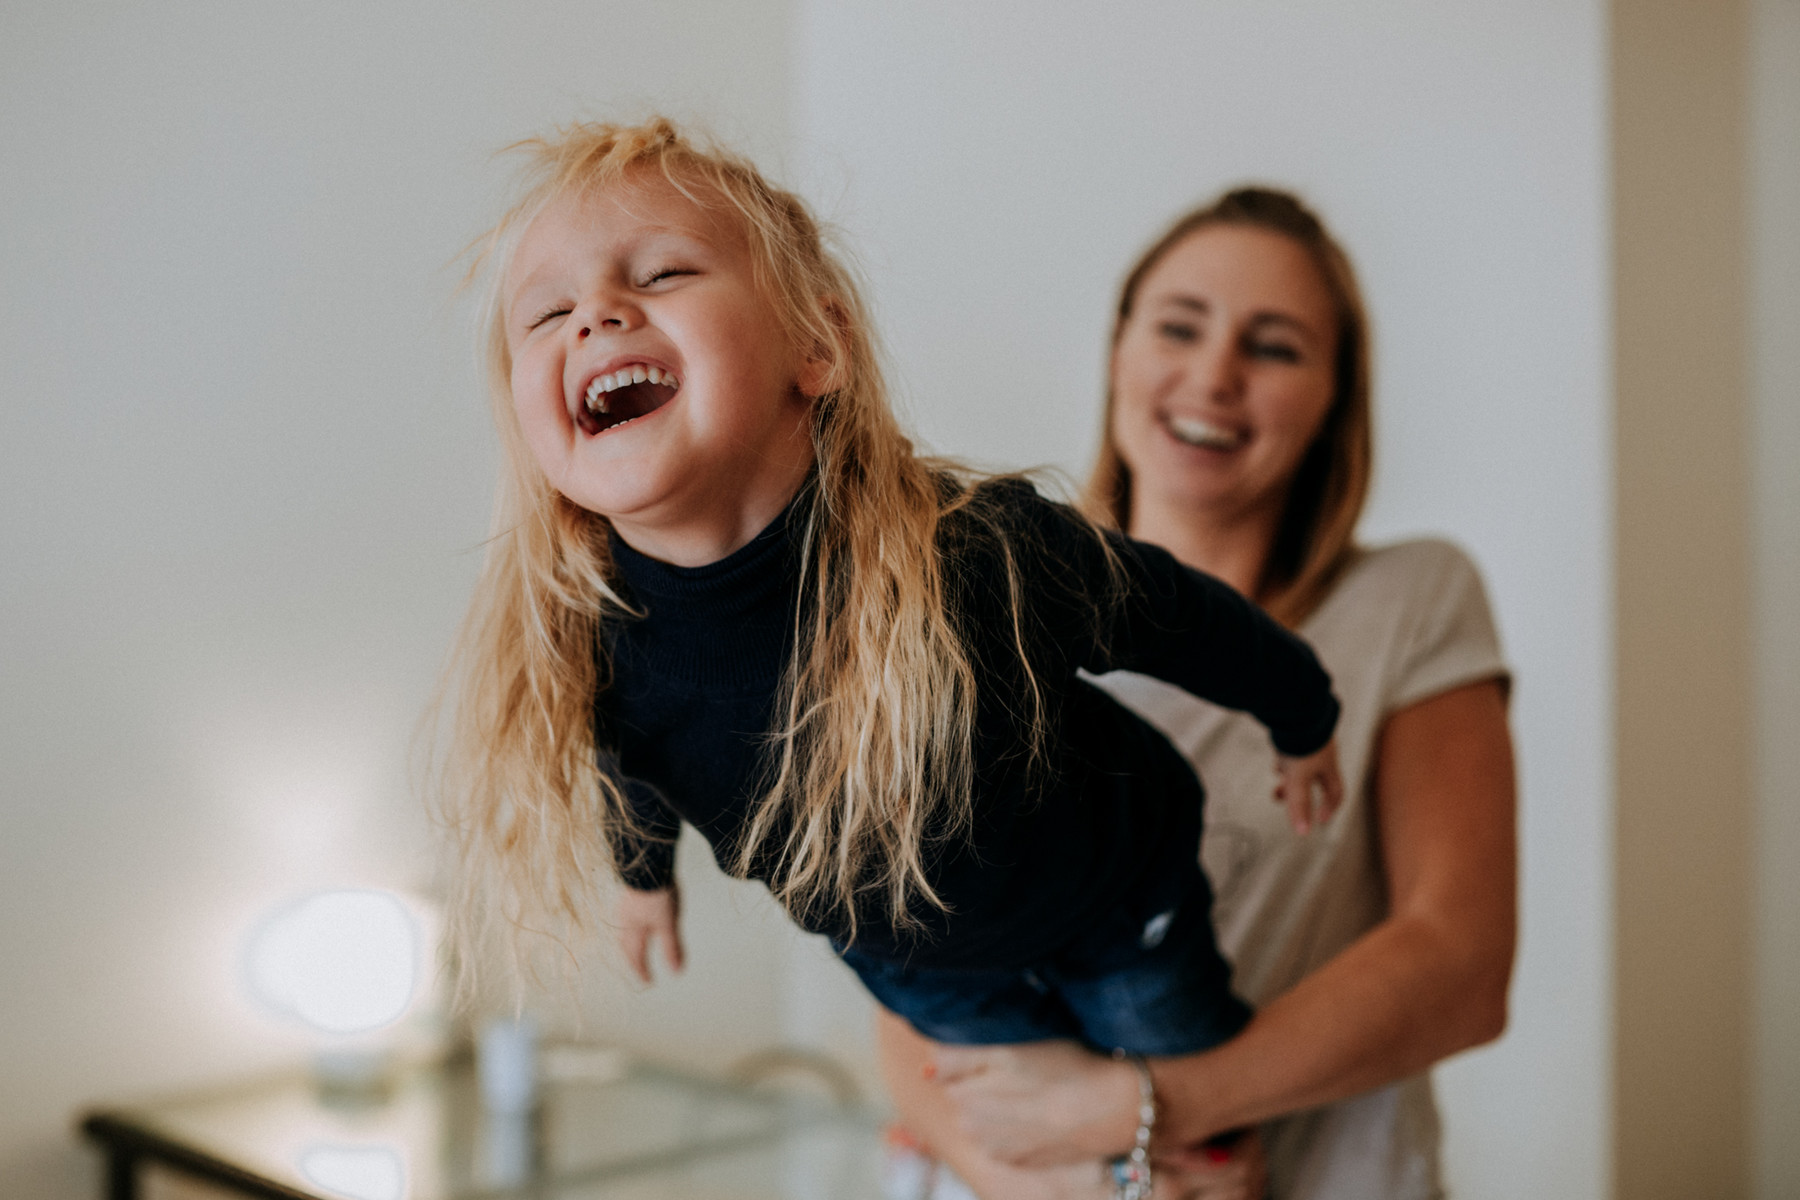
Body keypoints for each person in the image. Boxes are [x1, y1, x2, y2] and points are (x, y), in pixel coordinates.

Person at [437, 121, 1349, 1096]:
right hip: (917, 964)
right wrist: (643, 879)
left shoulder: (980, 552)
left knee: (1188, 1125)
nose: (596, 315)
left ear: (817, 345)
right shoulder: (595, 648)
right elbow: (632, 768)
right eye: (547, 313)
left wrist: (1304, 716)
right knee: (1034, 1152)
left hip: (1120, 897)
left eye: (660, 275)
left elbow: (1178, 616)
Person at [877, 188, 1517, 1200]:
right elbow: (902, 964)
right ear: (1120, 351)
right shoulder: (983, 606)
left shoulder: (1409, 603)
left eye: (1274, 347)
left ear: (1333, 398)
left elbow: (1461, 963)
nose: (1214, 376)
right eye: (1179, 326)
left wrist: (1152, 1109)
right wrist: (1067, 1181)